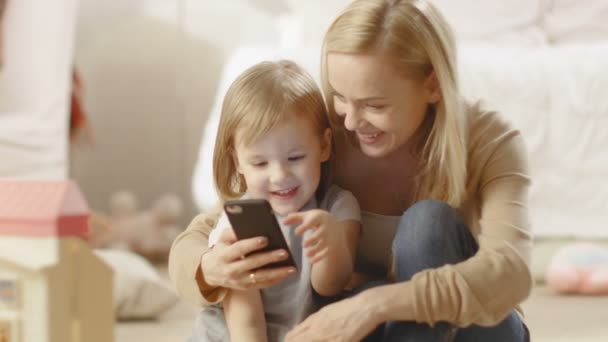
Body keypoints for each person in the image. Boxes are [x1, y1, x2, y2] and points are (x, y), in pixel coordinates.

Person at [170, 0, 533, 341]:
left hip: (473, 329)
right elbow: (207, 230)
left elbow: (510, 275)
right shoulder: (325, 140)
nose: (352, 120)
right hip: (379, 328)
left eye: (375, 105)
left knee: (428, 221)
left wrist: (375, 305)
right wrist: (208, 268)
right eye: (341, 97)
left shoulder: (489, 141)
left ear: (433, 85)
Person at [176, 60, 361, 341]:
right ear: (238, 161)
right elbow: (244, 317)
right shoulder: (238, 221)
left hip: (304, 330)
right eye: (260, 163)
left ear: (324, 146)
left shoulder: (338, 206)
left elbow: (329, 287)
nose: (280, 175)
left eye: (295, 158)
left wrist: (330, 244)